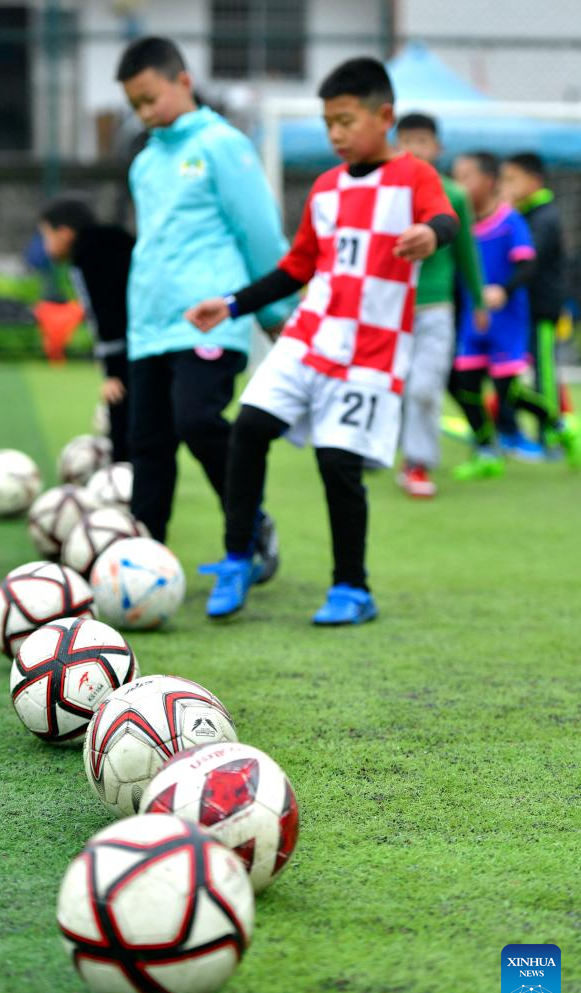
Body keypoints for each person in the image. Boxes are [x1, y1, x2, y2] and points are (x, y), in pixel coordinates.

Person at [186, 57, 459, 626]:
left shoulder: (413, 176)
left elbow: (446, 218)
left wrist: (431, 233)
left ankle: (352, 588)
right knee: (250, 429)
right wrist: (233, 303)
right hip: (309, 336)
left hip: (371, 351)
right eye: (328, 122)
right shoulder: (326, 187)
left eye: (345, 120)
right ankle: (239, 556)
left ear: (383, 116)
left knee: (338, 464)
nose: (335, 133)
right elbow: (297, 267)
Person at [116, 36, 293, 579]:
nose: (145, 113)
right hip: (151, 323)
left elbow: (258, 229)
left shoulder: (223, 145)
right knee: (146, 443)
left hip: (212, 317)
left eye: (150, 98)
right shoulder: (145, 163)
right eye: (135, 105)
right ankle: (141, 564)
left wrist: (275, 311)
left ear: (183, 82)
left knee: (197, 420)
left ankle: (251, 524)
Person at [450, 152, 580, 480]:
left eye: (467, 176)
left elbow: (527, 262)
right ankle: (486, 451)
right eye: (456, 176)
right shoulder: (458, 222)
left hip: (507, 318)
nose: (459, 184)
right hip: (472, 318)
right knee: (464, 383)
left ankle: (559, 426)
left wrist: (503, 291)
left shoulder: (511, 220)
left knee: (508, 389)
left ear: (488, 181)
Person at [395, 112, 487, 498]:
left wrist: (479, 300)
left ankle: (418, 464)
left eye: (422, 141)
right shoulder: (384, 189)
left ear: (437, 148)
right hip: (389, 307)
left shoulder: (455, 196)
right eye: (407, 140)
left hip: (436, 307)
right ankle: (380, 451)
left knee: (424, 388)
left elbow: (466, 252)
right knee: (391, 387)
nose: (415, 149)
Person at [38, 194, 134, 461]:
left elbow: (107, 314)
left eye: (46, 236)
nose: (45, 246)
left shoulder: (88, 258)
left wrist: (113, 372)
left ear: (65, 233)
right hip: (156, 339)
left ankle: (122, 480)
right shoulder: (118, 242)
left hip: (138, 348)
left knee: (121, 408)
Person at [500, 152, 573, 453]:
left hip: (541, 310)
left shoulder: (544, 215)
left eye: (511, 180)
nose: (506, 187)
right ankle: (512, 430)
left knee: (543, 374)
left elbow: (526, 256)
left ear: (533, 180)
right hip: (521, 310)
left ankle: (553, 436)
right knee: (512, 373)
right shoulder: (527, 214)